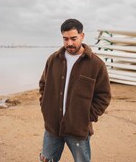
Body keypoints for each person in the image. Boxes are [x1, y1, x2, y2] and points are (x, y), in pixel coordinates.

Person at [39, 18, 111, 162]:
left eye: (73, 38)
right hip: (52, 127)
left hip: (78, 129)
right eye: (65, 39)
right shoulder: (53, 60)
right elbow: (43, 85)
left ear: (82, 36)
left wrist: (88, 116)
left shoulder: (96, 64)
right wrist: (45, 106)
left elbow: (104, 96)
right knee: (46, 160)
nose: (69, 43)